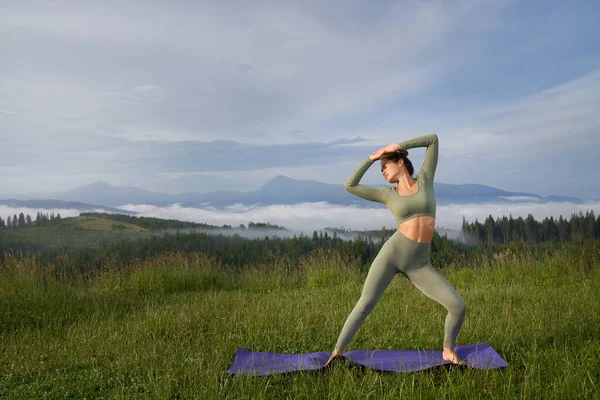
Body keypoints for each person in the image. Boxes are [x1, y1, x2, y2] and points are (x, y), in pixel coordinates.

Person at [324, 133, 467, 367]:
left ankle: (448, 350)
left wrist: (398, 146)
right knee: (365, 304)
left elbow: (433, 140)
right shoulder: (387, 194)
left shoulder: (425, 180)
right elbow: (349, 185)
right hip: (392, 254)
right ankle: (336, 353)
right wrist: (372, 158)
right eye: (380, 168)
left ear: (400, 162)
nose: (382, 171)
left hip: (419, 263)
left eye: (385, 165)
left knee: (458, 306)